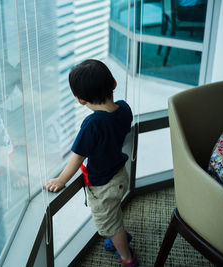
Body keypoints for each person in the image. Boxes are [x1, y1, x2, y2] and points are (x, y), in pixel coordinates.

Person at [45, 59, 138, 266]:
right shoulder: (124, 109)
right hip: (120, 174)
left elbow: (77, 156)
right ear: (113, 83)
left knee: (110, 224)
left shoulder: (92, 124)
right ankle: (119, 237)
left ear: (80, 100)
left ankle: (127, 256)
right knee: (114, 213)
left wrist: (61, 180)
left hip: (104, 185)